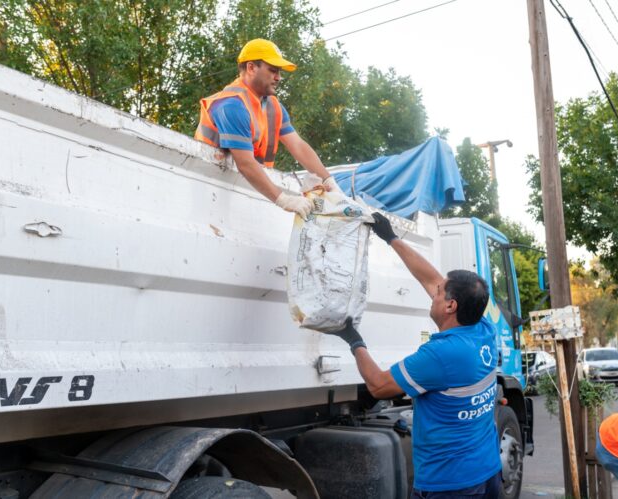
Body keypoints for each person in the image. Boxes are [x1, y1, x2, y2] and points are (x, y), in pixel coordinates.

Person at [330, 214, 502, 498]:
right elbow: (432, 278)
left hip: (451, 485)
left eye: (438, 294)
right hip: (487, 471)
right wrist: (391, 238)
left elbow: (378, 385)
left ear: (451, 306)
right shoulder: (484, 329)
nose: (433, 294)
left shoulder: (442, 355)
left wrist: (353, 339)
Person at [195, 39, 340, 218]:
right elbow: (245, 164)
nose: (278, 77)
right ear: (251, 68)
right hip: (207, 190)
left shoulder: (273, 106)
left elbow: (298, 146)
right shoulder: (231, 105)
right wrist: (284, 200)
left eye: (279, 71)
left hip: (244, 192)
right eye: (272, 70)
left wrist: (329, 181)